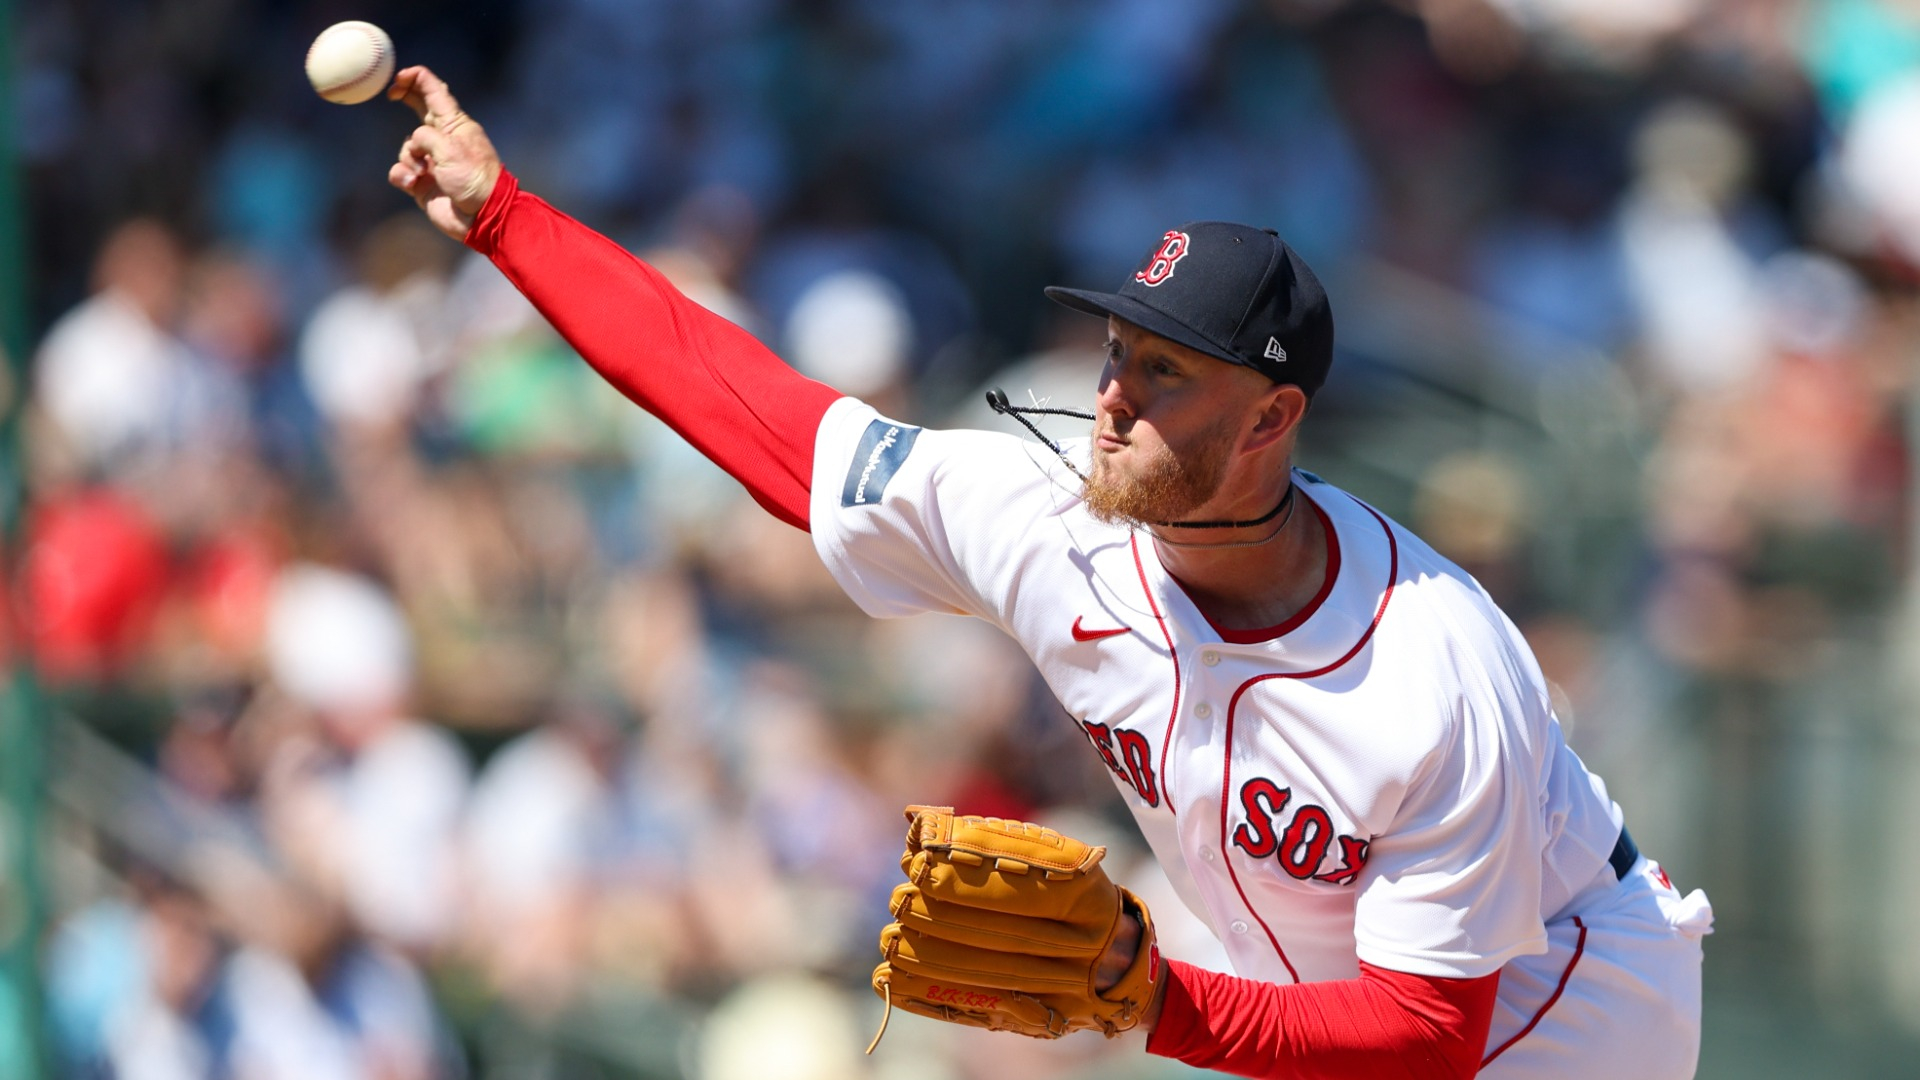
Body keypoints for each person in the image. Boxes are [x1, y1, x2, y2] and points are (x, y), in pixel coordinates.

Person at [383, 66, 1713, 1079]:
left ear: (1270, 421)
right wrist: (506, 218)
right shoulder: (1045, 519)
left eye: (1168, 371)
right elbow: (762, 416)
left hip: (1564, 1014)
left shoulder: (1433, 671)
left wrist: (1154, 1001)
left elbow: (1425, 1036)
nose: (1115, 397)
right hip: (1306, 986)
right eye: (1118, 353)